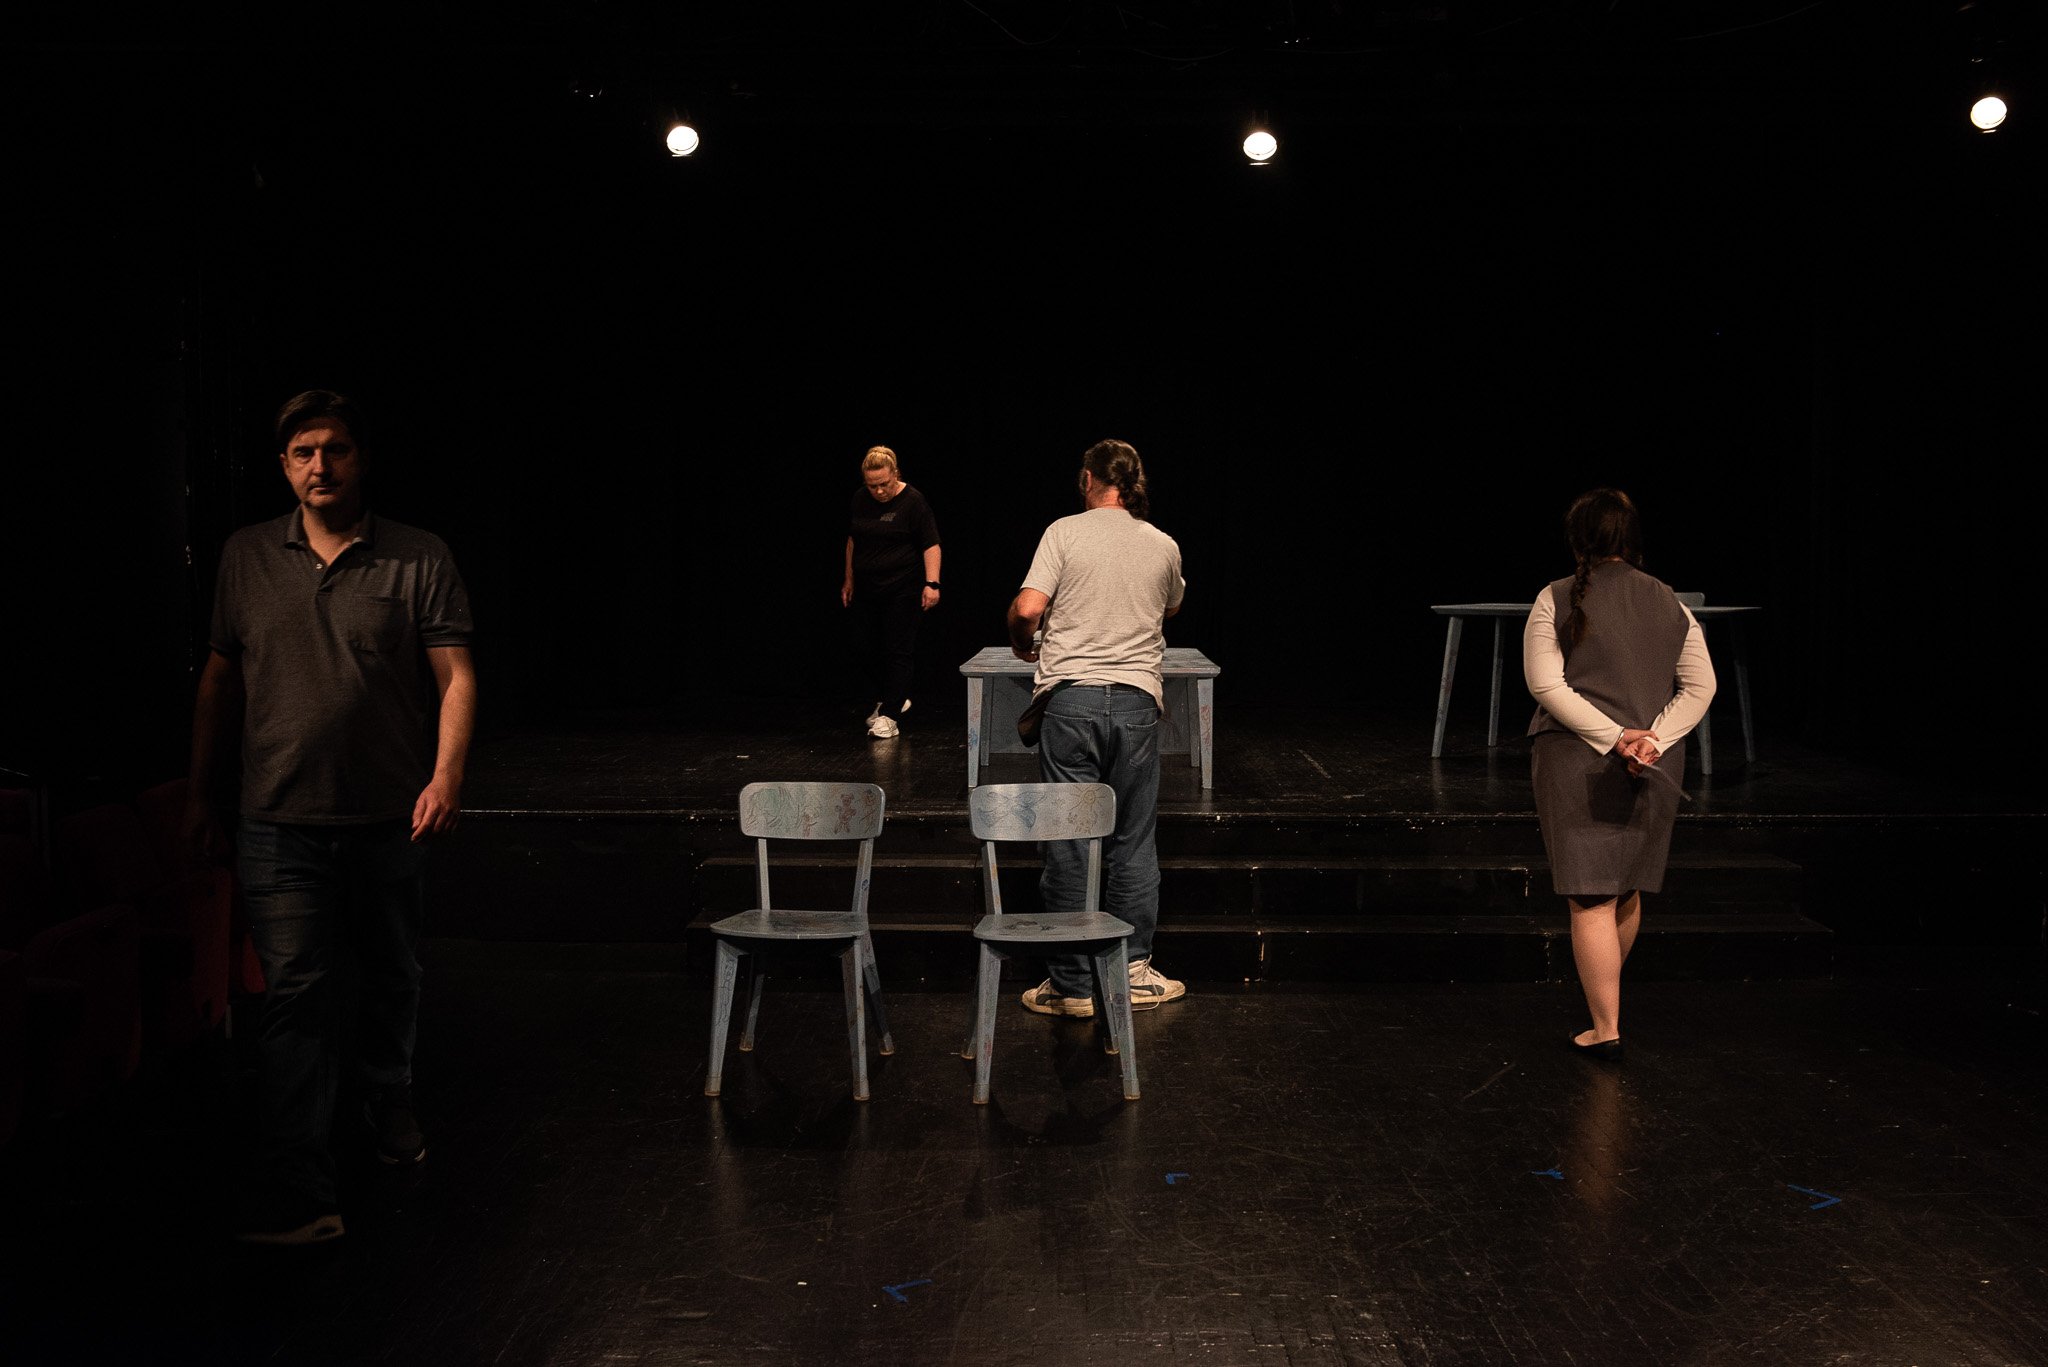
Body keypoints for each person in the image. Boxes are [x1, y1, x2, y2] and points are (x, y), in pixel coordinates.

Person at [185, 390, 477, 1244]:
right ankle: (301, 1183)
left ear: (361, 458)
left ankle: (387, 1099)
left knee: (392, 973)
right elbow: (218, 681)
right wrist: (201, 794)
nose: (321, 465)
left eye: (336, 449)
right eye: (304, 452)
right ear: (283, 466)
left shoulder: (418, 556)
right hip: (277, 819)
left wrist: (447, 773)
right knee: (297, 996)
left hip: (389, 815)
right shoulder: (245, 555)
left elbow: (455, 675)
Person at [1522, 488, 1715, 1060]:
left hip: (1581, 761)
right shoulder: (1670, 603)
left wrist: (1616, 739)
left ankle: (1606, 1028)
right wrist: (1651, 738)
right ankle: (1604, 1011)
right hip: (1652, 761)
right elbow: (1700, 687)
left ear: (1577, 539)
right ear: (1631, 539)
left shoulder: (1555, 596)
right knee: (1625, 886)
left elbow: (1545, 685)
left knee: (1591, 897)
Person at [1006, 438, 1187, 1015]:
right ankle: (1131, 970)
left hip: (1072, 704)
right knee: (1132, 838)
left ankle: (1071, 984)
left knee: (1069, 839)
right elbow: (1172, 606)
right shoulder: (1163, 544)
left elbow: (1029, 608)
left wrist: (1022, 642)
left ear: (1089, 479)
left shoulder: (1065, 532)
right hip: (1134, 703)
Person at [841, 446, 941, 739]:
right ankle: (891, 699)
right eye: (872, 486)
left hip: (903, 587)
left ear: (895, 474)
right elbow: (852, 541)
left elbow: (930, 544)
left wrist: (932, 583)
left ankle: (890, 715)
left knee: (898, 649)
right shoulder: (860, 499)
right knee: (863, 647)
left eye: (884, 484)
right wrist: (848, 579)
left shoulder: (913, 501)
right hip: (868, 589)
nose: (879, 491)